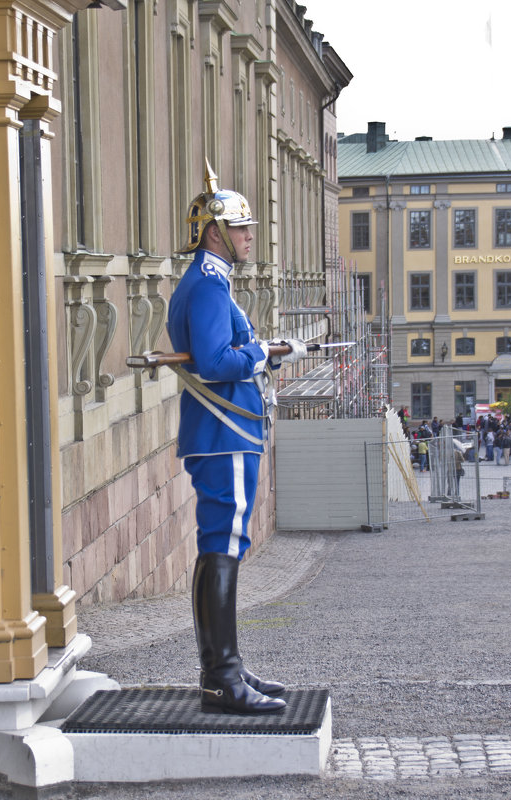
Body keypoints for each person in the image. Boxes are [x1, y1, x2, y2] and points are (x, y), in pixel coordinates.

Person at [167, 165, 299, 714]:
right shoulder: (207, 286)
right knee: (221, 546)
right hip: (223, 432)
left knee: (223, 545)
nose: (250, 236)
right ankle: (221, 677)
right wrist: (265, 353)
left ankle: (227, 667)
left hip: (225, 431)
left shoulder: (212, 282)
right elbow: (218, 362)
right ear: (216, 231)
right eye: (242, 228)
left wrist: (266, 347)